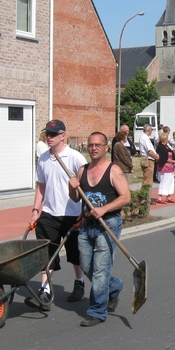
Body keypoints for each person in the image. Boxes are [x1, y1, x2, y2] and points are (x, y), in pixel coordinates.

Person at [68, 132, 131, 327]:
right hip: (87, 225)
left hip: (109, 224)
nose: (93, 148)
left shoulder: (114, 171)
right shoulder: (82, 170)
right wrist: (72, 187)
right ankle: (115, 286)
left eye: (98, 145)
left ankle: (97, 311)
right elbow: (75, 199)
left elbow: (125, 197)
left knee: (100, 270)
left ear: (106, 148)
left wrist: (104, 209)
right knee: (87, 267)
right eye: (90, 145)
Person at [25, 120, 87, 311]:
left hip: (72, 214)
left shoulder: (75, 158)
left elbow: (86, 187)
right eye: (47, 134)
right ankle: (45, 291)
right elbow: (41, 187)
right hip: (49, 214)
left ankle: (79, 282)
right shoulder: (43, 158)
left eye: (53, 134)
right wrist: (36, 210)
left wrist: (84, 213)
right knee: (47, 254)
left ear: (63, 136)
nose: (49, 137)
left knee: (75, 254)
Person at [155, 132, 175, 204]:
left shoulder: (167, 146)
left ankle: (168, 196)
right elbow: (164, 158)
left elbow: (171, 154)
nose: (168, 139)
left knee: (170, 182)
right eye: (167, 138)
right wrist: (173, 161)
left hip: (170, 167)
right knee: (164, 181)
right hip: (164, 167)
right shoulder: (160, 147)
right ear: (164, 139)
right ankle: (160, 197)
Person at [138, 123, 159, 190]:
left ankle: (146, 197)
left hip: (148, 159)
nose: (152, 131)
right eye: (151, 130)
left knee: (148, 180)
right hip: (148, 160)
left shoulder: (144, 137)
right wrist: (156, 156)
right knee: (147, 180)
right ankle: (144, 198)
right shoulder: (145, 138)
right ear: (149, 130)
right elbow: (149, 151)